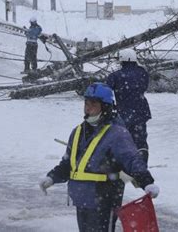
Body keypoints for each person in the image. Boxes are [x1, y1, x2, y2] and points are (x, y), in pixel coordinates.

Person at [39, 82, 159, 232]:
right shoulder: (77, 132)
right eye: (86, 103)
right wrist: (52, 177)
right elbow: (69, 163)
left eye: (93, 104)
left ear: (106, 107)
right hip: (82, 199)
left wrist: (146, 182)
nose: (88, 107)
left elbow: (132, 160)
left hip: (105, 199)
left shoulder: (116, 134)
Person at [106, 49, 151, 163]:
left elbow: (106, 92)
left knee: (122, 139)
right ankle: (141, 163)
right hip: (141, 111)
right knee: (140, 140)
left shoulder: (115, 76)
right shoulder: (143, 73)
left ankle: (124, 163)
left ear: (121, 60)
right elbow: (144, 87)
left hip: (123, 113)